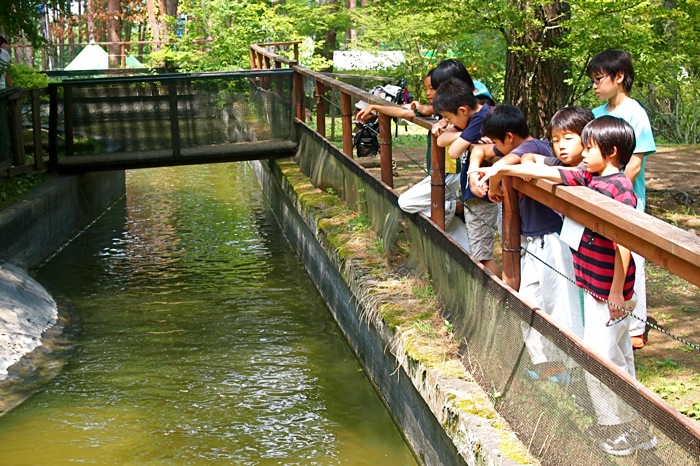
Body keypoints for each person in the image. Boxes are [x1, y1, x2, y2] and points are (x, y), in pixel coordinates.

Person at [476, 116, 657, 457]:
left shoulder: (617, 188)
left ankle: (615, 429)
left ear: (612, 151)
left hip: (610, 294)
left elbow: (624, 244)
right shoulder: (591, 176)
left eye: (589, 148)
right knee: (617, 356)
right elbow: (554, 173)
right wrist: (502, 171)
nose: (582, 154)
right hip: (597, 289)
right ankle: (636, 426)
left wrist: (618, 291)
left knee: (600, 358)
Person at [467, 104, 581, 381]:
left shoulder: (534, 150)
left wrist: (494, 184)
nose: (494, 148)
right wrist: (477, 171)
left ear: (508, 137)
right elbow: (481, 152)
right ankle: (545, 362)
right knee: (529, 300)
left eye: (496, 142)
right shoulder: (523, 149)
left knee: (561, 304)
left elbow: (501, 167)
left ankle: (573, 365)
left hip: (552, 238)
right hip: (533, 241)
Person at [588, 50, 655, 350]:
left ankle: (636, 326)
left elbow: (635, 163)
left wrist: (613, 193)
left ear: (618, 77)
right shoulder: (597, 113)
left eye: (599, 79)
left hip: (626, 202)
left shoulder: (636, 114)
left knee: (631, 259)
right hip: (597, 199)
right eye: (592, 81)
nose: (595, 86)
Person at [431, 77, 497, 274]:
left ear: (462, 110)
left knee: (482, 254)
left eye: (449, 118)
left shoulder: (480, 119)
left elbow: (452, 151)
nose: (449, 123)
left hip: (484, 195)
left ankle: (494, 298)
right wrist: (466, 135)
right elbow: (442, 140)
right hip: (478, 194)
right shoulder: (473, 120)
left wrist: (463, 136)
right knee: (481, 251)